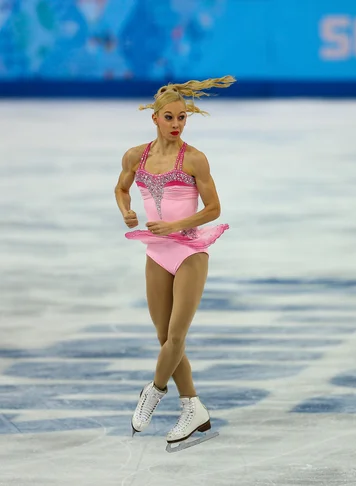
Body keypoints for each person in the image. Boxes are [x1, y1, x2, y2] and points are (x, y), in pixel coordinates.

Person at [114, 76, 234, 447]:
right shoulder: (136, 155)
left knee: (177, 336)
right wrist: (127, 210)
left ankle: (153, 391)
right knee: (165, 337)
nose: (177, 124)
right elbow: (120, 188)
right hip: (156, 253)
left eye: (183, 117)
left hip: (189, 252)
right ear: (155, 118)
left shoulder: (194, 158)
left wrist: (175, 225)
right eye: (170, 117)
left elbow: (214, 209)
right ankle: (193, 406)